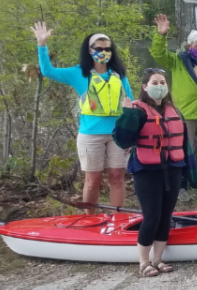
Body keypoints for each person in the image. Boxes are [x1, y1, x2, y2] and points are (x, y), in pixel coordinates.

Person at [32, 21, 134, 213]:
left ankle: (117, 220)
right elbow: (48, 71)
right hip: (90, 134)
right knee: (92, 180)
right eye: (99, 48)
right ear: (89, 50)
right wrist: (42, 45)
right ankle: (90, 220)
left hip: (118, 135)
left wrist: (131, 135)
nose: (103, 52)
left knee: (117, 177)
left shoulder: (119, 75)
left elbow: (131, 105)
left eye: (107, 49)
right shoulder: (78, 73)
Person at [115, 69, 187, 277]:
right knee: (152, 216)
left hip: (172, 168)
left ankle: (158, 259)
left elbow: (184, 142)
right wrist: (127, 116)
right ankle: (144, 262)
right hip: (146, 170)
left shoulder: (173, 110)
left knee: (165, 216)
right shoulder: (137, 111)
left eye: (162, 82)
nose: (160, 86)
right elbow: (122, 140)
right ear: (145, 87)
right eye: (155, 83)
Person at [150, 14, 197, 200]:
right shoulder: (178, 61)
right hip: (183, 115)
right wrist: (161, 35)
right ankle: (181, 188)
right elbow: (158, 54)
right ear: (189, 46)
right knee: (181, 151)